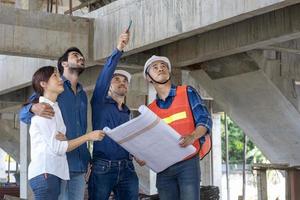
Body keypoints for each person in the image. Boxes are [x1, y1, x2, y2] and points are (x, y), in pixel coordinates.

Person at [20, 47, 92, 200]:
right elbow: (25, 113)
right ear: (64, 64)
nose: (80, 58)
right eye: (75, 55)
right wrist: (32, 108)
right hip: (58, 165)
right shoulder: (53, 91)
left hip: (76, 165)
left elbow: (80, 128)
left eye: (81, 56)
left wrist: (87, 160)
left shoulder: (82, 95)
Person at [28, 66, 105, 200]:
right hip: (46, 172)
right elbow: (58, 148)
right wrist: (88, 136)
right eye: (55, 76)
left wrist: (64, 140)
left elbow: (58, 143)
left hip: (54, 173)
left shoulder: (54, 108)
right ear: (43, 84)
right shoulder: (45, 110)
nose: (60, 79)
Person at [143, 55, 213, 200]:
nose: (160, 68)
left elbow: (205, 119)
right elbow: (149, 141)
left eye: (163, 66)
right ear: (149, 78)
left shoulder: (187, 92)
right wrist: (143, 156)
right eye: (154, 68)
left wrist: (193, 136)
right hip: (163, 167)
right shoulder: (150, 110)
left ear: (169, 72)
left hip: (187, 163)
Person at [88, 31, 142, 200]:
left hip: (127, 167)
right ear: (109, 87)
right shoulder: (99, 103)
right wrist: (119, 48)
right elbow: (104, 76)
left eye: (125, 81)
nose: (121, 82)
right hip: (103, 167)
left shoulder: (128, 112)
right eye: (116, 79)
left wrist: (138, 154)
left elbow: (128, 140)